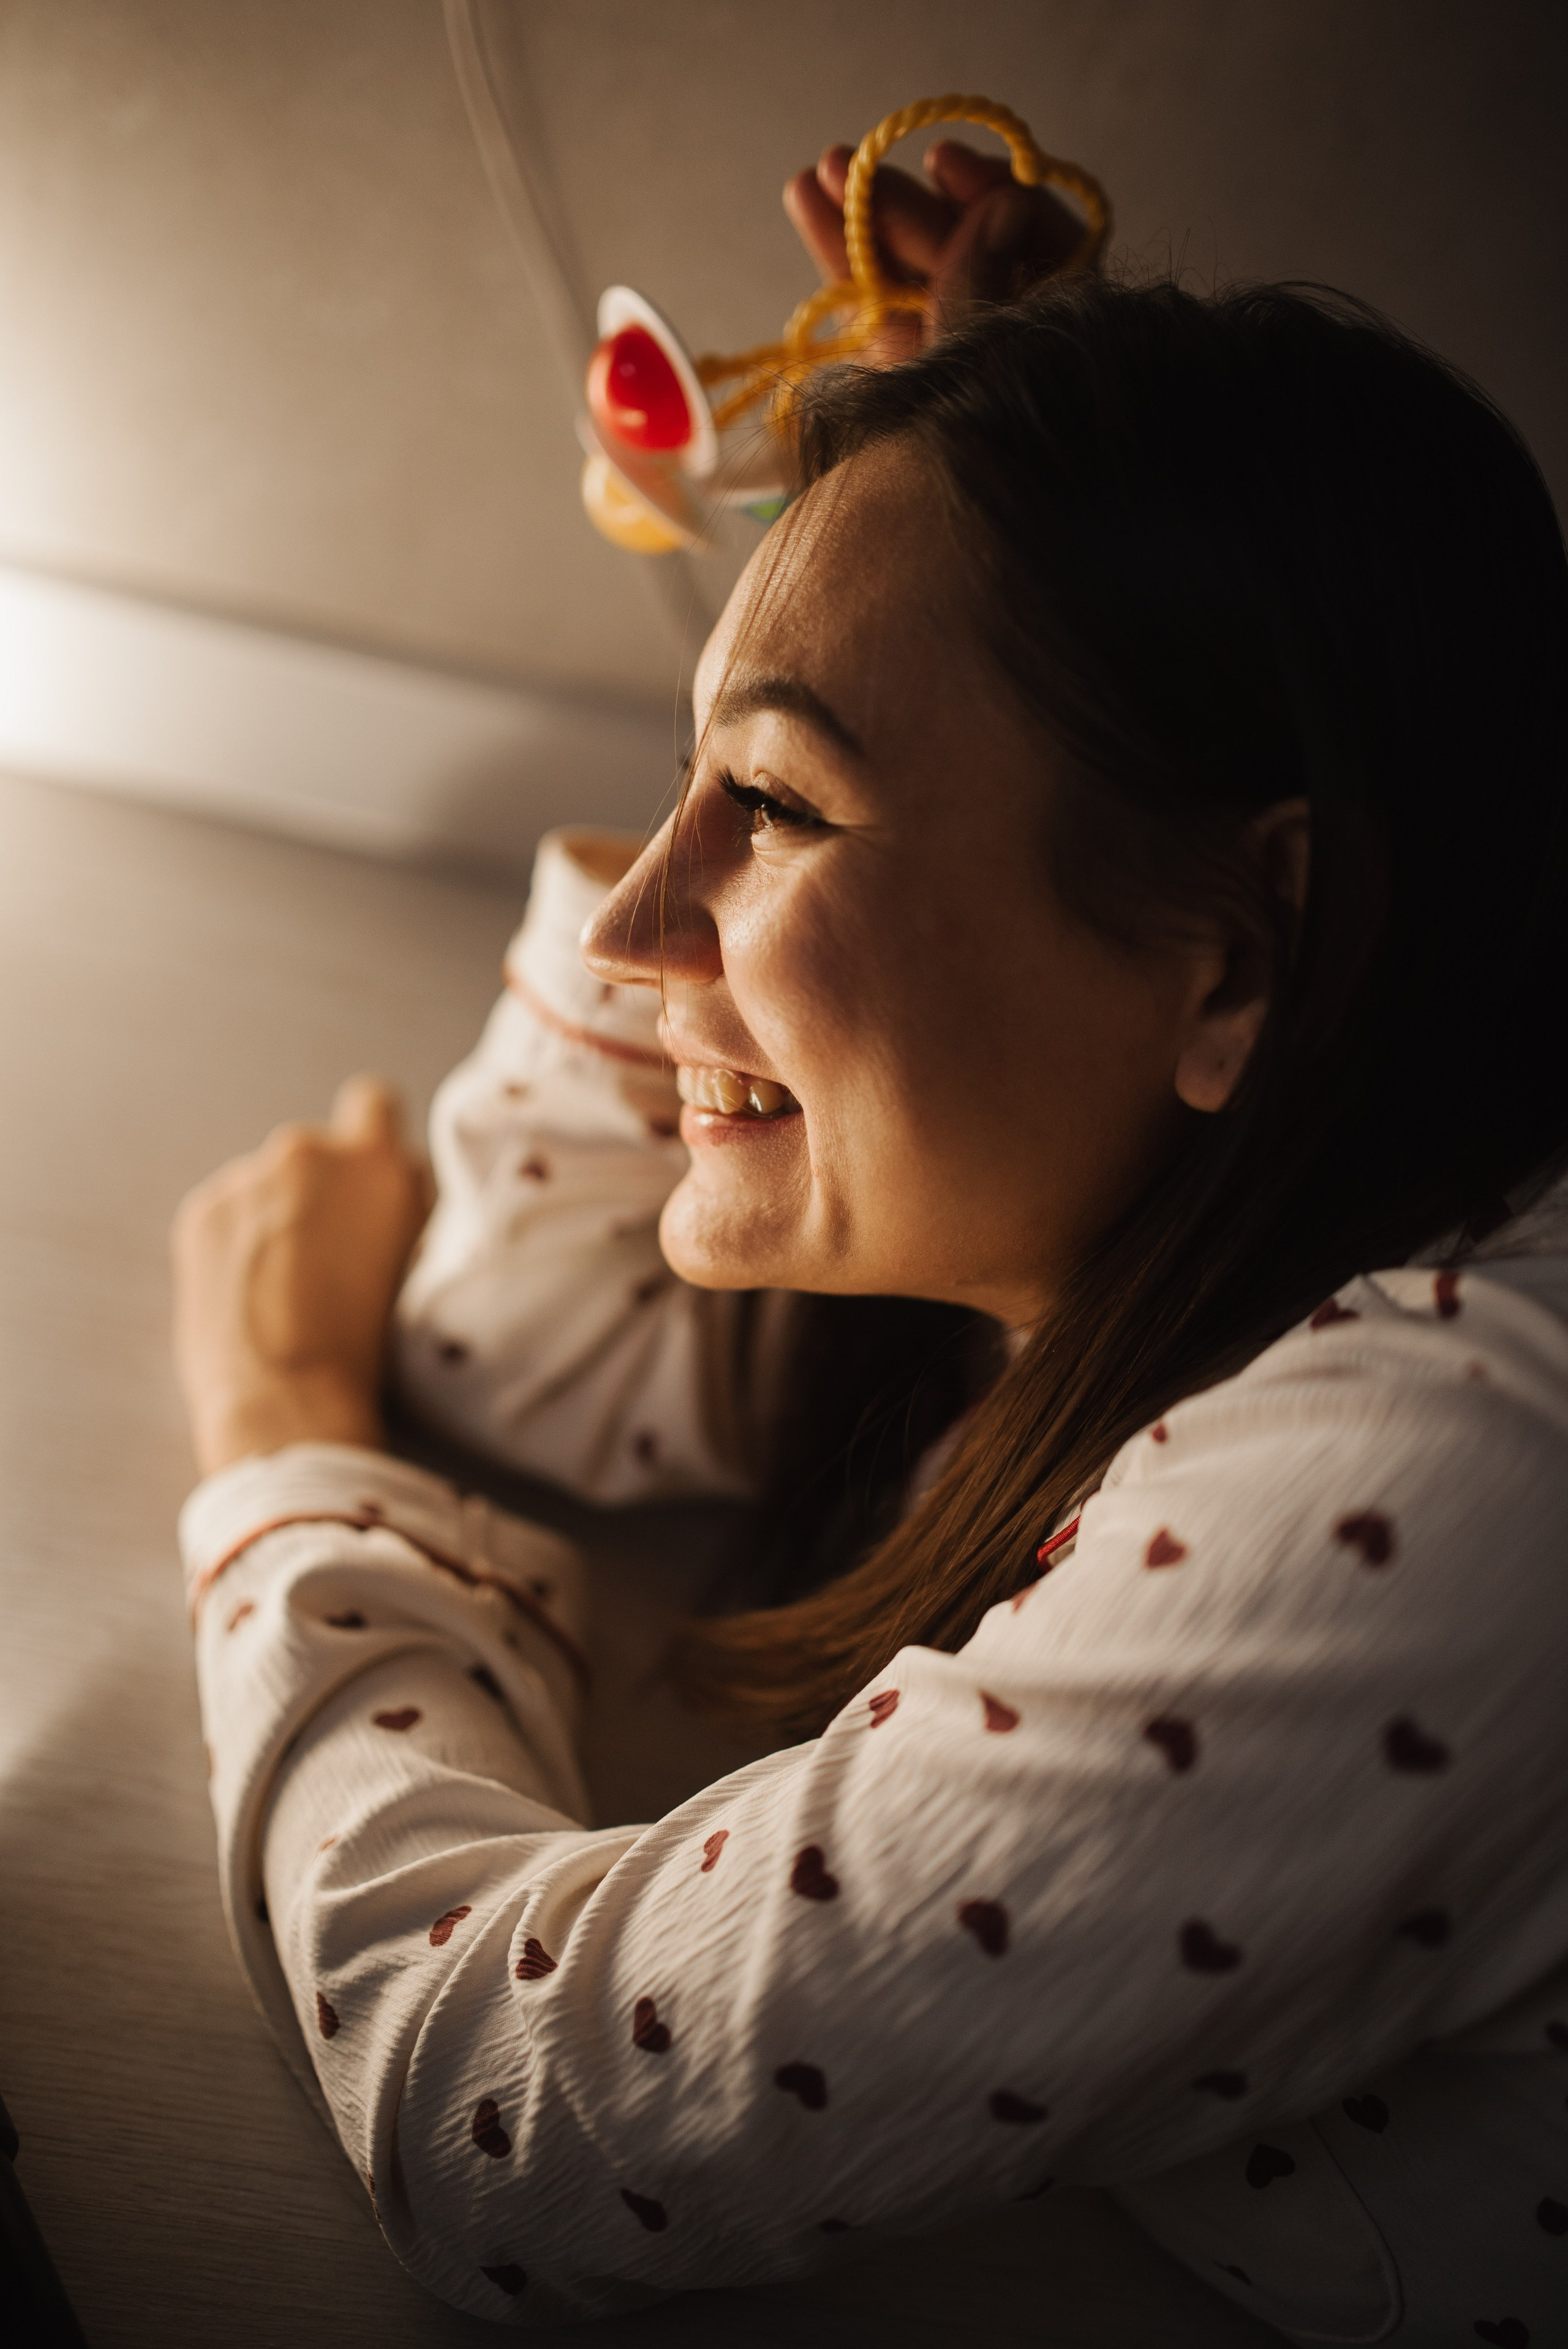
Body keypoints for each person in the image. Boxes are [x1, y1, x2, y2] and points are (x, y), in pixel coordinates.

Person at [170, 136, 1568, 2342]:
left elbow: (509, 2130)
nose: (633, 924)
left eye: (780, 806)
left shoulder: (1450, 1483)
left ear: (1243, 955)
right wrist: (885, 567)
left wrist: (274, 1449)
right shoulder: (1158, 1232)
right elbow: (537, 1344)